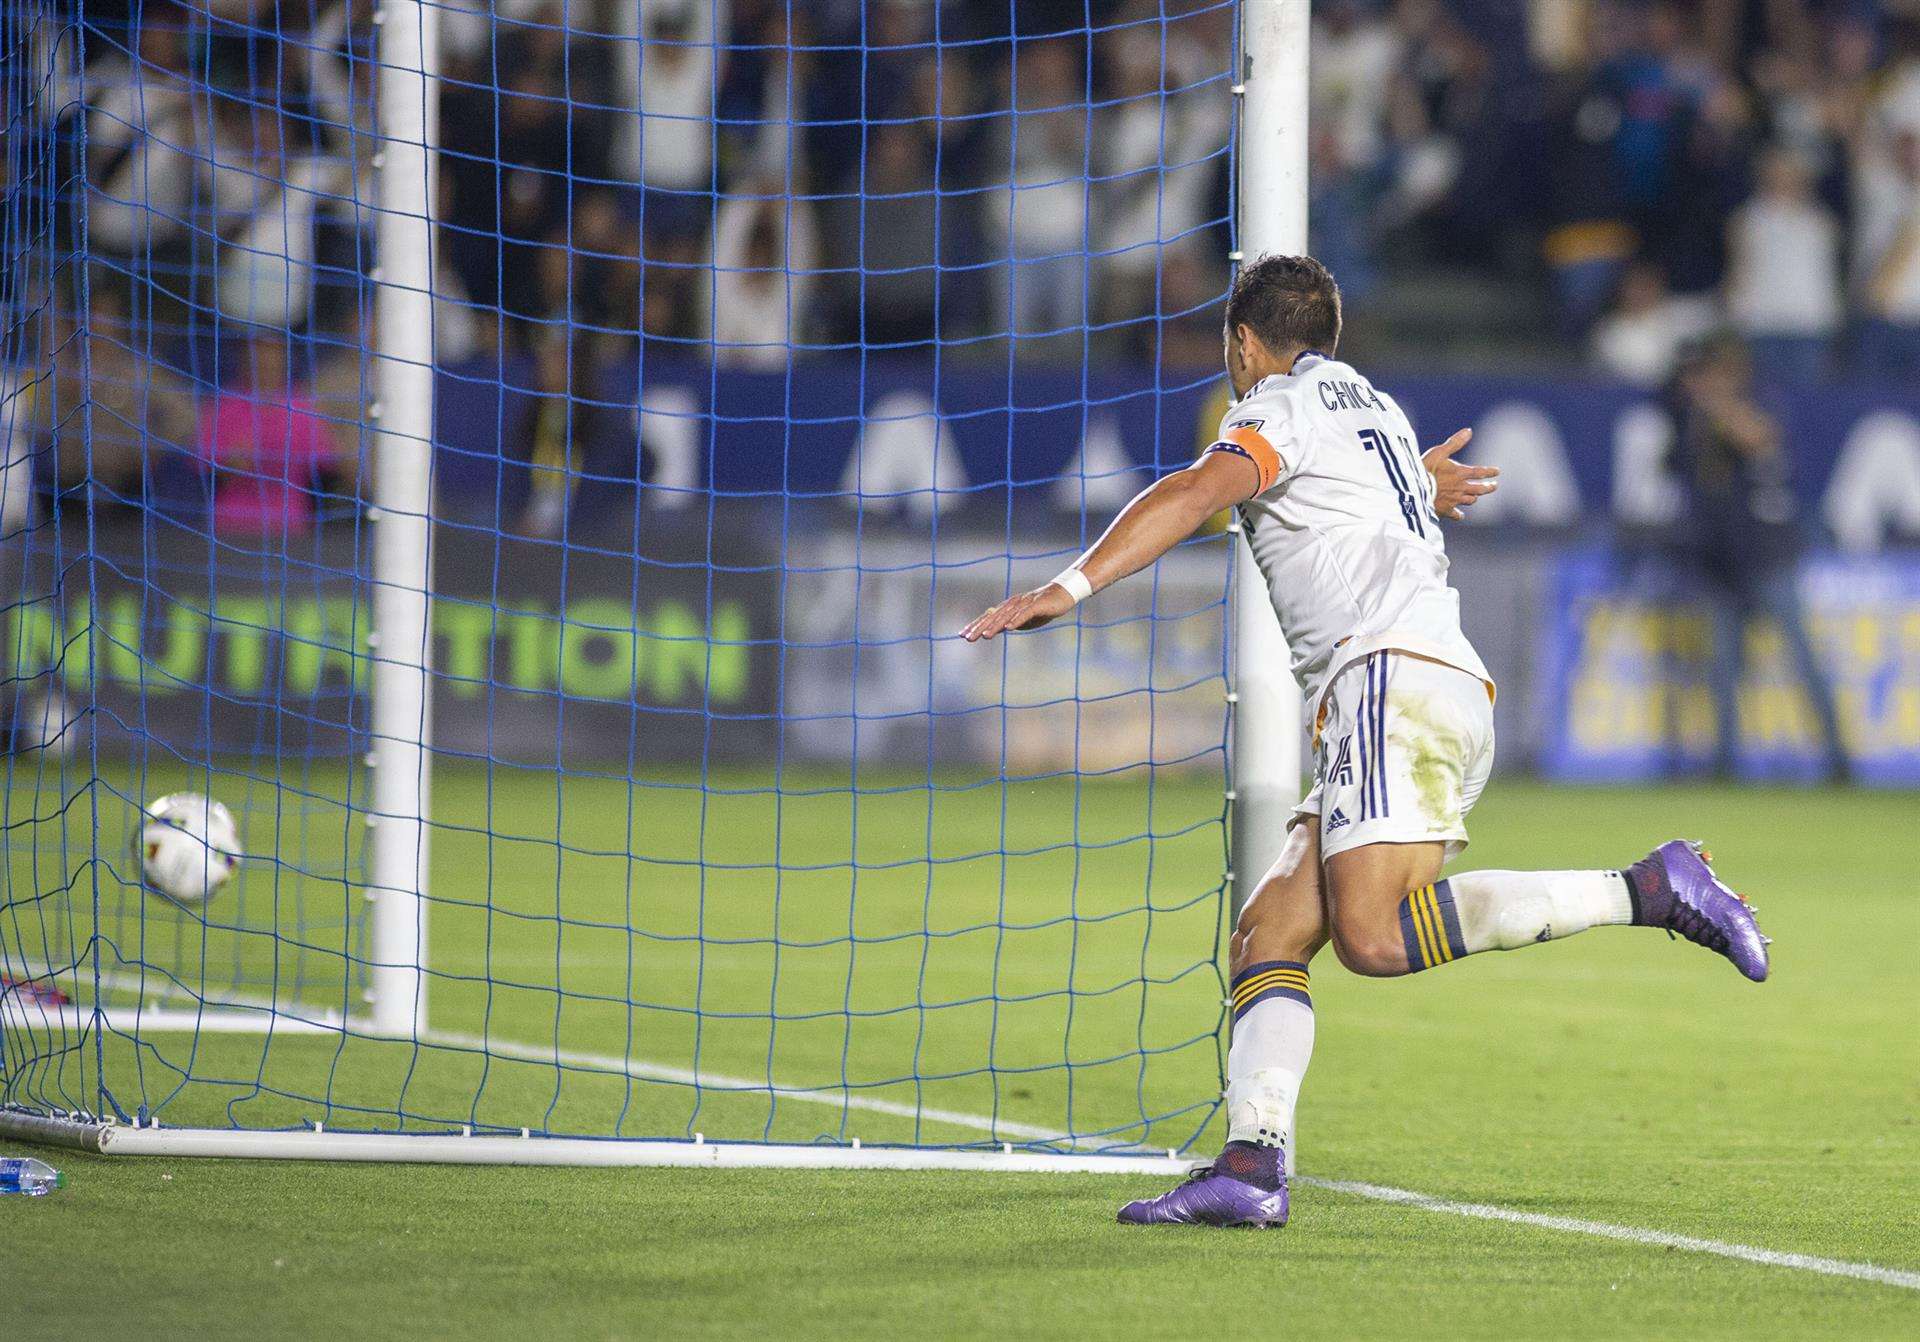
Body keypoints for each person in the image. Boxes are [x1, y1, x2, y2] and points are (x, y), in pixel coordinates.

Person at [960, 255, 1770, 1230]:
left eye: (1233, 351)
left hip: (1388, 678)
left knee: (1376, 937)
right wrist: (1418, 484)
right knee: (1269, 933)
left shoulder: (1276, 408)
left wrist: (1069, 587)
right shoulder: (1372, 406)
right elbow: (1359, 496)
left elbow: (1189, 493)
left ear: (1245, 345)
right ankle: (1252, 1164)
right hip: (1418, 686)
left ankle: (1651, 887)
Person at [1666, 331, 1849, 782]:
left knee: (1803, 662)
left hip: (1769, 559)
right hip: (1720, 564)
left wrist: (1715, 404)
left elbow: (1756, 438)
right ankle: (1724, 765)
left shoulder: (1755, 405)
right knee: (1724, 672)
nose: (1697, 385)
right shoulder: (1690, 424)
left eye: (1707, 375)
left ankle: (1839, 760)